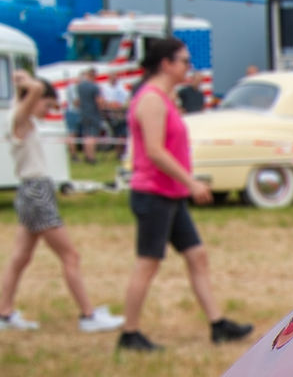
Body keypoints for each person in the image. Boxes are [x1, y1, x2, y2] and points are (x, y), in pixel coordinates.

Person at [119, 37, 252, 352]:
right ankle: (129, 333)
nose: (188, 68)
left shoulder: (163, 98)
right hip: (154, 194)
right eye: (184, 61)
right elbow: (154, 151)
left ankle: (218, 325)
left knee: (197, 256)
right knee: (147, 263)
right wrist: (191, 182)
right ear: (166, 63)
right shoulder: (150, 99)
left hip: (170, 194)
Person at [0, 69, 124, 333]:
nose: (49, 110)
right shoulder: (20, 119)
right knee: (70, 255)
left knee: (20, 258)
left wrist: (23, 80)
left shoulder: (19, 117)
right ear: (33, 99)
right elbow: (33, 91)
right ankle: (88, 315)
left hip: (31, 190)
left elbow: (29, 94)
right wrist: (26, 82)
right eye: (48, 104)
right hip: (36, 191)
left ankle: (4, 313)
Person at [73, 67, 104, 163]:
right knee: (93, 136)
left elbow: (77, 101)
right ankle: (92, 157)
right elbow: (98, 101)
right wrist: (102, 110)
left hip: (83, 113)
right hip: (93, 113)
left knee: (86, 135)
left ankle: (86, 155)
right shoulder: (94, 87)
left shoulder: (80, 86)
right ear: (93, 75)